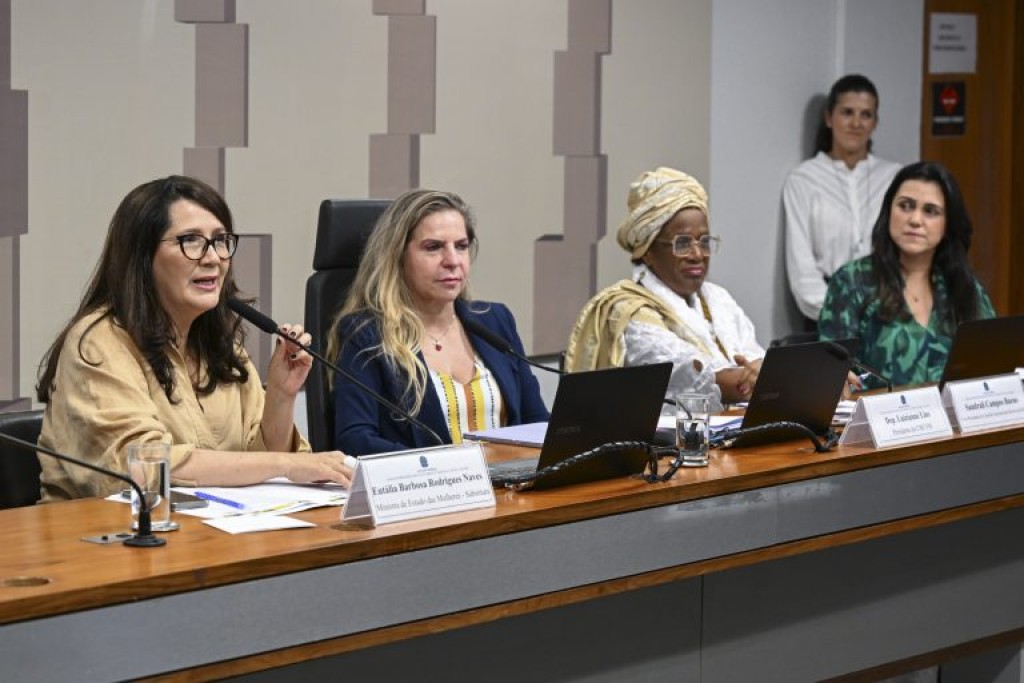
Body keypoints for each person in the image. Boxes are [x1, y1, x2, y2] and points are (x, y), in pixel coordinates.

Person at [36, 176, 353, 501]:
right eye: (191, 240)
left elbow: (258, 463)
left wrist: (281, 397)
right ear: (143, 256)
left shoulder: (223, 349)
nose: (213, 257)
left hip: (209, 526)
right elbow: (142, 468)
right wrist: (285, 464)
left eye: (220, 240)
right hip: (101, 528)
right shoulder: (98, 343)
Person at [328, 189, 549, 455]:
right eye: (433, 247)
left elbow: (537, 422)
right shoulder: (368, 335)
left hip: (514, 479)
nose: (453, 261)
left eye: (461, 246)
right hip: (428, 480)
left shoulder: (495, 321)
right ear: (398, 256)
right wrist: (453, 464)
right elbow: (356, 441)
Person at [564, 167, 764, 413]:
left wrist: (759, 375)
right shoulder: (628, 312)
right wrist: (753, 380)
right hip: (673, 437)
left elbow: (757, 362)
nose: (697, 254)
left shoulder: (718, 298)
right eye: (683, 243)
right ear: (647, 250)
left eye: (704, 241)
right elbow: (696, 376)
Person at [819, 161, 996, 388]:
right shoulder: (852, 281)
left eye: (930, 211)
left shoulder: (964, 287)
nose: (915, 220)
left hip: (952, 411)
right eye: (905, 206)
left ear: (947, 224)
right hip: (875, 410)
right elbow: (831, 374)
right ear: (888, 211)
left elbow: (993, 365)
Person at [784, 74, 902, 323]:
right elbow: (801, 266)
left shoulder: (893, 177)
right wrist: (838, 314)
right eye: (847, 112)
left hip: (887, 310)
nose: (856, 123)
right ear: (829, 118)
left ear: (875, 122)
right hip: (826, 312)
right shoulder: (804, 179)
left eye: (866, 115)